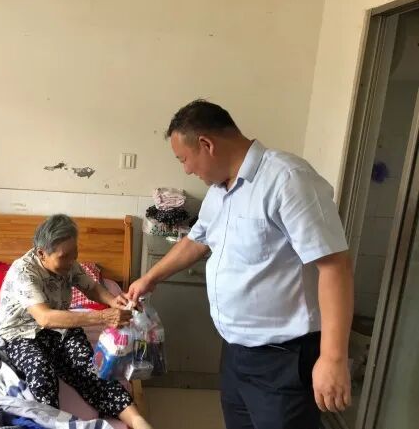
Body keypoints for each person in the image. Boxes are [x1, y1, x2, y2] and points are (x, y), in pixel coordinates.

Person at [127, 100, 354, 429]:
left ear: (206, 144)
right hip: (235, 352)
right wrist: (150, 278)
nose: (187, 170)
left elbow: (334, 266)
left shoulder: (288, 179)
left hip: (283, 359)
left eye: (184, 159)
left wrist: (333, 357)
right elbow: (197, 240)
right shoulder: (219, 191)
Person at [0, 214, 152, 429]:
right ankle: (52, 425)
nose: (71, 261)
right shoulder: (24, 272)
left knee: (90, 369)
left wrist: (113, 301)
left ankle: (137, 420)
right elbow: (45, 317)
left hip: (60, 327)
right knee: (41, 373)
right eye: (65, 256)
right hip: (22, 333)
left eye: (75, 253)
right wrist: (102, 316)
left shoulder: (69, 264)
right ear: (42, 253)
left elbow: (91, 287)